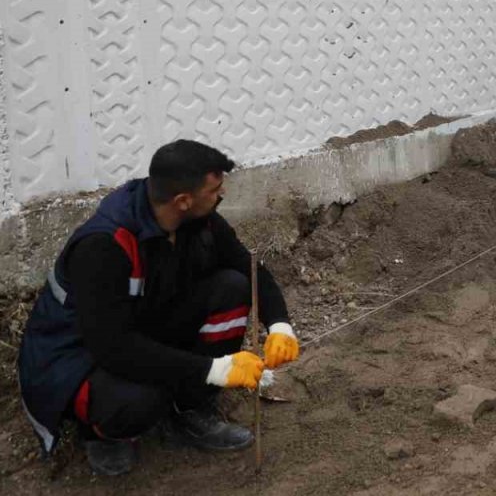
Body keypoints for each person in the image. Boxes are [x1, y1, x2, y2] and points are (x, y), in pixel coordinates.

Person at [18, 140, 298, 477]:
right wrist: (216, 369)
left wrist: (280, 325)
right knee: (141, 398)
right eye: (214, 190)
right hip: (77, 357)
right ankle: (101, 434)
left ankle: (190, 408)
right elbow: (113, 348)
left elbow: (248, 267)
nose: (220, 196)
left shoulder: (198, 221)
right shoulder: (105, 246)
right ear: (183, 201)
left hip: (138, 329)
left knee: (232, 287)